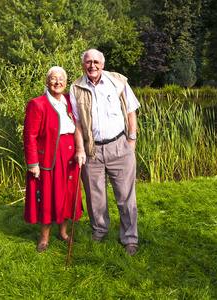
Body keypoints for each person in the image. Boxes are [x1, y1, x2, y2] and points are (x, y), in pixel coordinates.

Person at [69, 49, 140, 256]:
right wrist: (80, 149)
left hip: (119, 145)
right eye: (88, 62)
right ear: (83, 65)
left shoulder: (117, 81)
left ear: (103, 62)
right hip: (92, 150)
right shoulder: (76, 87)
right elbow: (77, 122)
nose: (92, 65)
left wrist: (131, 140)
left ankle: (130, 238)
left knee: (126, 196)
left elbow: (131, 111)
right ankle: (99, 230)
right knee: (94, 196)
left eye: (96, 62)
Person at [23, 66, 82, 253]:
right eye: (54, 79)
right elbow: (29, 135)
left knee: (66, 194)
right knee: (47, 196)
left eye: (61, 79)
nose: (58, 82)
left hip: (69, 155)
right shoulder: (37, 103)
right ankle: (44, 237)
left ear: (66, 82)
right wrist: (33, 162)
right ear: (47, 81)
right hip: (48, 156)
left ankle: (62, 232)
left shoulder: (68, 101)